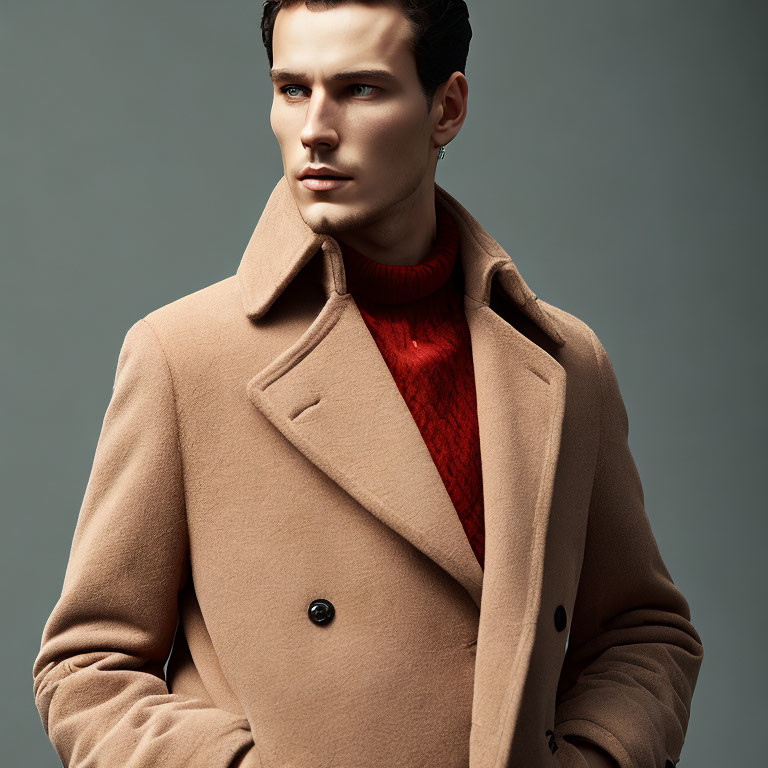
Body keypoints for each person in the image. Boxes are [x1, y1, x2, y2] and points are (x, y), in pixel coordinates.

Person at [32, 2, 703, 767]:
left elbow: (644, 632)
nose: (315, 127)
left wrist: (594, 757)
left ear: (446, 107)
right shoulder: (185, 356)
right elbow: (86, 667)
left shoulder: (563, 362)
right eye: (292, 89)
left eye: (359, 90)